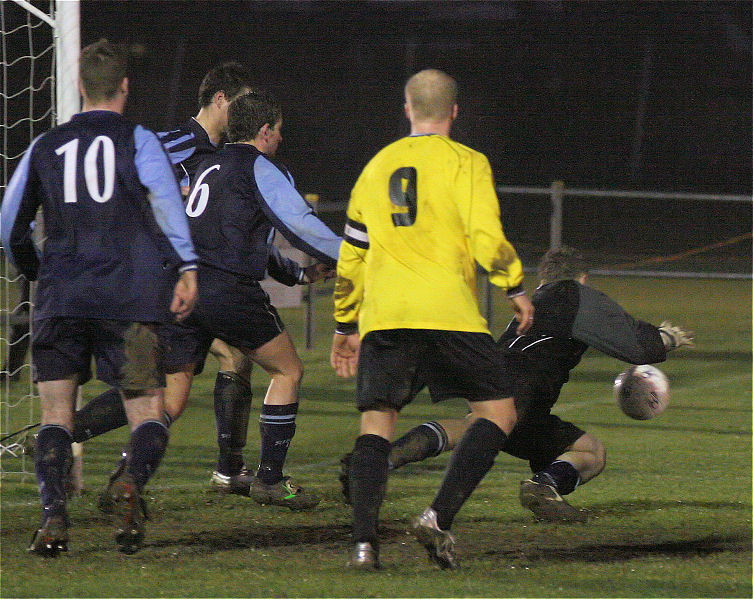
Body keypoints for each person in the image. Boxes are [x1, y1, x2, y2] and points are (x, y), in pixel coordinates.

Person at [66, 63, 316, 495]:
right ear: (222, 100)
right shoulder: (177, 143)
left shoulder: (228, 161)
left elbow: (245, 238)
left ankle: (201, 470)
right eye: (242, 103)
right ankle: (65, 432)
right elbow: (120, 179)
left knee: (183, 387)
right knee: (177, 379)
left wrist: (294, 272)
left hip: (195, 282)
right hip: (164, 280)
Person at [0, 39, 199, 556]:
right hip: (128, 300)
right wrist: (186, 266)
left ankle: (52, 519)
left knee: (56, 417)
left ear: (80, 86)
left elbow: (8, 225)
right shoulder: (139, 140)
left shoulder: (45, 146)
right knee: (149, 411)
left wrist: (35, 269)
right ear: (125, 87)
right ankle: (130, 485)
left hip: (63, 296)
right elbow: (164, 203)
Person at [330, 69, 534, 570]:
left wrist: (344, 324)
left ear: (407, 108)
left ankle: (363, 546)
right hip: (449, 313)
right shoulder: (468, 163)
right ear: (455, 111)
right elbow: (486, 236)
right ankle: (437, 518)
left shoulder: (377, 166)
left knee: (376, 425)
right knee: (498, 414)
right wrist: (514, 286)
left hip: (387, 315)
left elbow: (353, 253)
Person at [339, 246, 695, 523]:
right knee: (475, 428)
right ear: (581, 279)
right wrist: (665, 338)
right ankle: (376, 461)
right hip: (523, 384)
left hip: (505, 379)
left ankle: (545, 487)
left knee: (590, 451)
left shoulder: (536, 298)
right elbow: (633, 345)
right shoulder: (573, 295)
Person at [128, 88, 340, 510]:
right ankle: (270, 480)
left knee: (171, 397)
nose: (280, 139)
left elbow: (232, 234)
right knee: (288, 371)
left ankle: (128, 476)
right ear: (264, 131)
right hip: (227, 289)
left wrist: (297, 273)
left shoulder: (207, 163)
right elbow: (300, 224)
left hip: (185, 287)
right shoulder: (259, 166)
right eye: (278, 131)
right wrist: (355, 256)